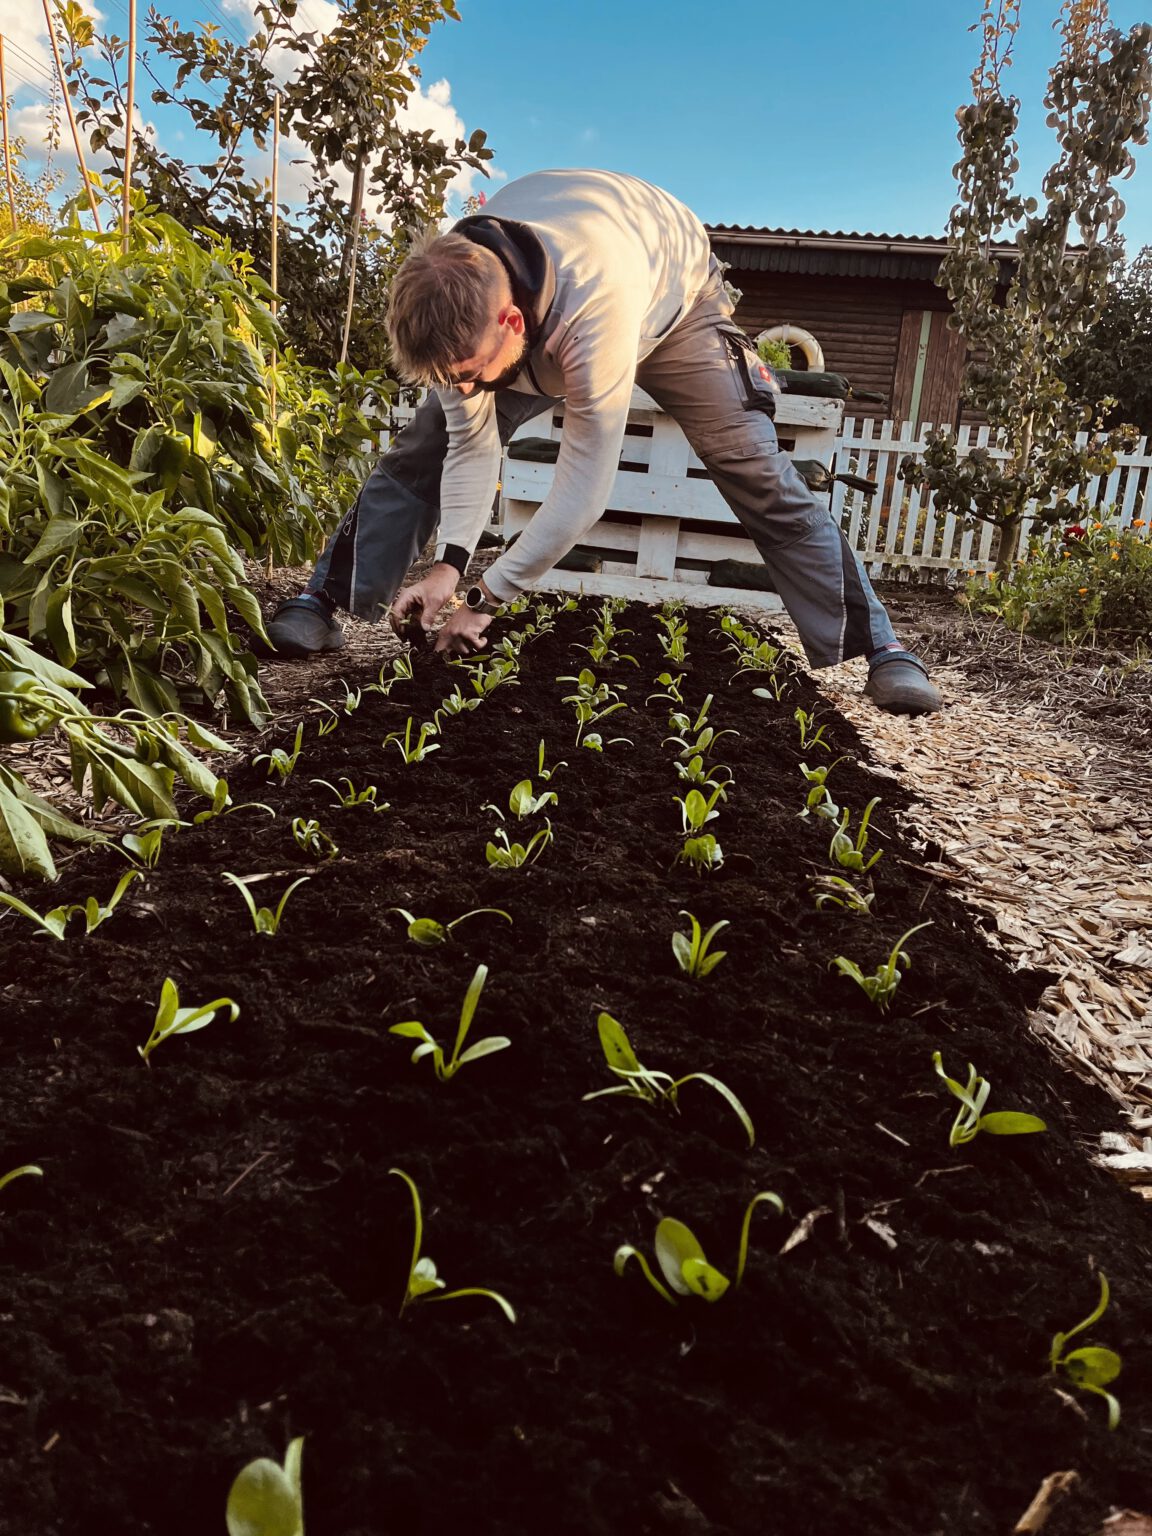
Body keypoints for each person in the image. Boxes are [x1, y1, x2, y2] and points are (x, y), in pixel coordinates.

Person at [264, 168, 941, 714]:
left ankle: (881, 646)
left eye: (468, 375)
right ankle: (322, 600)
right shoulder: (456, 294)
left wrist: (486, 600)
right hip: (552, 296)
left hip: (669, 295)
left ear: (508, 321)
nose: (464, 388)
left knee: (755, 467)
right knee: (429, 441)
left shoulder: (596, 305)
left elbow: (586, 484)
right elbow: (473, 450)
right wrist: (449, 569)